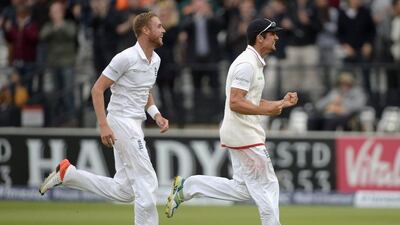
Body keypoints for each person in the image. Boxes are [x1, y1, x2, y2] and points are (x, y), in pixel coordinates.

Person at [39, 12, 169, 225]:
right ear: (145, 30)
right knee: (147, 180)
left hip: (136, 123)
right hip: (121, 121)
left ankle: (68, 175)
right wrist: (104, 125)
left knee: (125, 190)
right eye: (159, 26)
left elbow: (144, 90)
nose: (163, 30)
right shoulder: (125, 57)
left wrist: (156, 114)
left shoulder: (156, 60)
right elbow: (97, 89)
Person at [165, 18, 298, 225]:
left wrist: (279, 103)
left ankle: (188, 187)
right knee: (267, 184)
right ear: (260, 38)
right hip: (244, 133)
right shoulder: (246, 64)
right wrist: (266, 110)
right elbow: (236, 102)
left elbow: (249, 100)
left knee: (243, 189)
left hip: (242, 132)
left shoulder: (253, 62)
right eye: (272, 33)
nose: (277, 37)